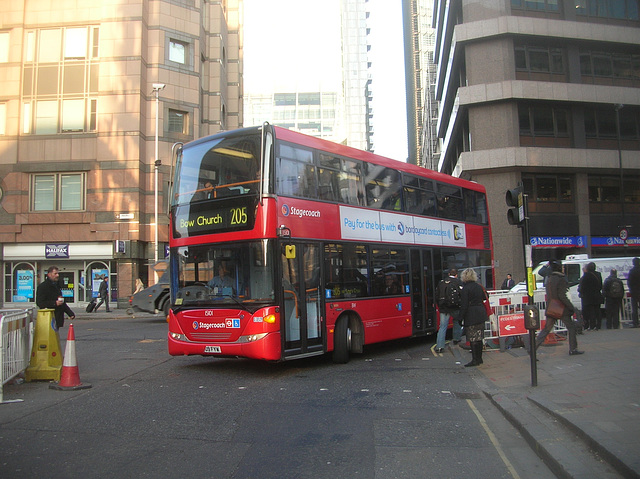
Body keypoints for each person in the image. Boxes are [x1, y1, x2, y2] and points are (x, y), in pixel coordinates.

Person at [536, 260, 583, 355]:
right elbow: (562, 295)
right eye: (562, 267)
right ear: (559, 268)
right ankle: (573, 349)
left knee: (546, 329)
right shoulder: (561, 279)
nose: (563, 268)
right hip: (561, 308)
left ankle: (533, 348)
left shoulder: (550, 278)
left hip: (551, 306)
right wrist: (572, 307)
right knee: (571, 327)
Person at [458, 268, 488, 367]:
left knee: (472, 338)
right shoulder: (479, 286)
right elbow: (485, 297)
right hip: (481, 313)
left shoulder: (465, 289)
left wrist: (460, 317)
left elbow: (464, 305)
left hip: (471, 315)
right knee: (479, 338)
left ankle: (475, 360)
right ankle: (480, 359)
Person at [36, 265, 75, 330]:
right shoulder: (43, 287)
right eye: (55, 273)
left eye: (58, 273)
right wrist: (54, 303)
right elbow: (40, 303)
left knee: (55, 337)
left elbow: (62, 302)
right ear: (49, 274)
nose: (57, 275)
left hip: (57, 317)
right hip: (48, 318)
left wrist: (70, 313)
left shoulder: (57, 285)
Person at [435, 268, 463, 353]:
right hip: (455, 307)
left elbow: (437, 295)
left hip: (444, 308)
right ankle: (456, 339)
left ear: (448, 274)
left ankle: (439, 346)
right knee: (457, 322)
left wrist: (440, 306)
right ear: (456, 275)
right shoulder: (458, 282)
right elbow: (462, 295)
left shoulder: (441, 283)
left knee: (443, 327)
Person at [578, 262, 602, 330]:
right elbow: (600, 285)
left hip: (588, 296)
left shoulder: (586, 276)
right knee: (598, 311)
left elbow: (583, 287)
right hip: (597, 295)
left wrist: (582, 292)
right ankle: (598, 325)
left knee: (591, 312)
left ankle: (592, 325)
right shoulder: (598, 274)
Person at [628, 257, 640, 328]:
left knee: (634, 308)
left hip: (634, 292)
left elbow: (630, 281)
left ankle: (635, 323)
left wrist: (631, 289)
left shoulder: (632, 271)